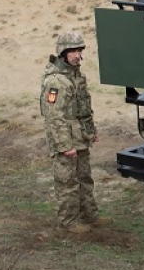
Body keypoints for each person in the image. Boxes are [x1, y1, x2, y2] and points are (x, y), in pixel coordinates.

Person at [40, 32, 110, 236]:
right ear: (63, 53)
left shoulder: (76, 76)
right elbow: (54, 116)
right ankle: (68, 222)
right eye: (73, 51)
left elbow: (83, 108)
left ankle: (89, 215)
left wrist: (91, 131)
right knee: (67, 182)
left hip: (80, 138)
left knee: (85, 178)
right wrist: (64, 145)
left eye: (80, 50)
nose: (78, 55)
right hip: (67, 141)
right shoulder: (56, 82)